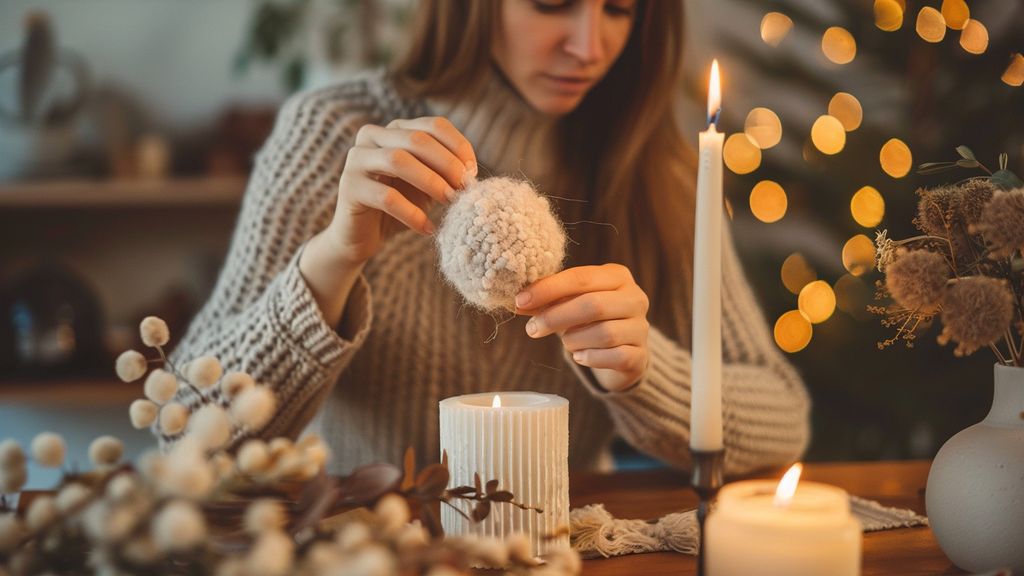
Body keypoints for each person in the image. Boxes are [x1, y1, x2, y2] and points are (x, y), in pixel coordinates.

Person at [166, 0, 810, 476]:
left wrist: (644, 372)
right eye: (553, 4)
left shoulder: (656, 170)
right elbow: (188, 434)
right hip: (379, 549)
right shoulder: (336, 136)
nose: (589, 46)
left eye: (619, 9)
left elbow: (782, 418)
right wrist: (336, 259)